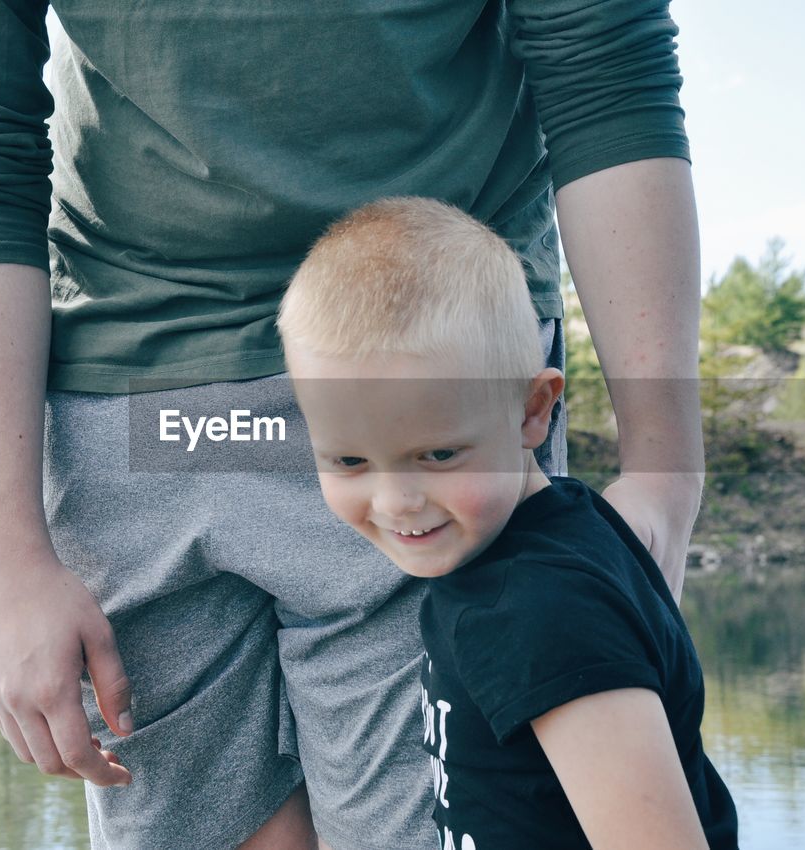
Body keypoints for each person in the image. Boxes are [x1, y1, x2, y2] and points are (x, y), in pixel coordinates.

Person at [0, 1, 705, 847]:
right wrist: (3, 553)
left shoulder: (446, 493)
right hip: (134, 399)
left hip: (436, 371)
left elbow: (604, 62)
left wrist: (665, 468)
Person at [279, 196, 737, 850]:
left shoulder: (541, 615)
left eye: (437, 454)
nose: (398, 501)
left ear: (533, 411)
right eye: (350, 460)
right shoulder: (555, 535)